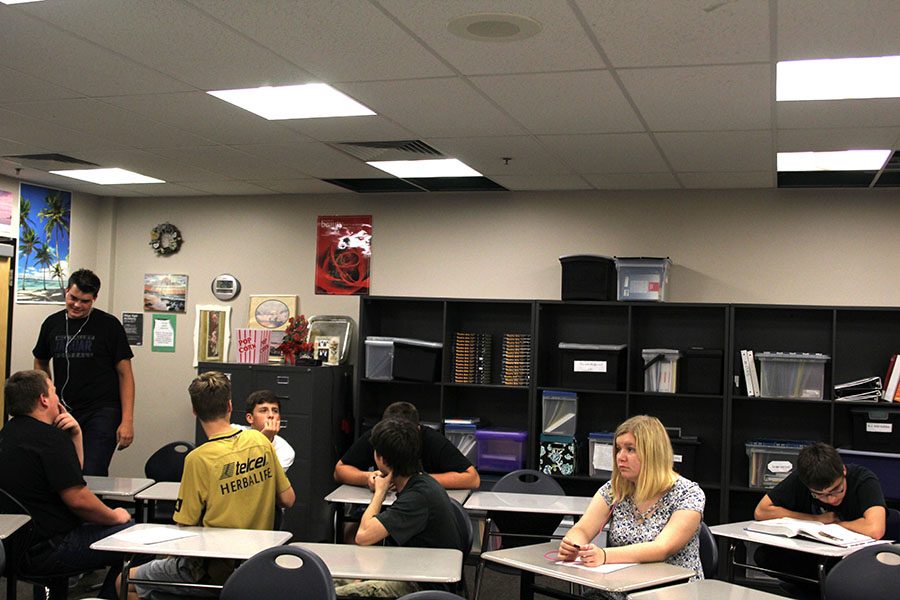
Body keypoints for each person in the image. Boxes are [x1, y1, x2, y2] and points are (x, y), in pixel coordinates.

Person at [123, 371, 295, 599]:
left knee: (124, 581)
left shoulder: (198, 459)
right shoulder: (260, 441)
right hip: (255, 564)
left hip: (211, 571)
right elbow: (288, 499)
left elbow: (185, 524)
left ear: (195, 411)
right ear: (230, 406)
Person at [0, 370, 132, 599]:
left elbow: (71, 476)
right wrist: (115, 516)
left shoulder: (6, 435)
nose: (56, 398)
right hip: (51, 549)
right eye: (53, 392)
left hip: (12, 549)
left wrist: (76, 434)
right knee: (136, 539)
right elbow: (78, 499)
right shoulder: (49, 439)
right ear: (43, 399)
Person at [558, 415, 705, 596]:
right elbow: (582, 529)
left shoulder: (688, 493)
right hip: (620, 587)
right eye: (618, 449)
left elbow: (662, 548)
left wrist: (604, 556)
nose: (621, 457)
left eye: (630, 449)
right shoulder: (615, 489)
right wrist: (574, 546)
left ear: (652, 453)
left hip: (671, 591)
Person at [333, 418, 464, 598]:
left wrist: (379, 492)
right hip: (408, 570)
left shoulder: (417, 497)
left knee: (330, 592)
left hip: (423, 586)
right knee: (324, 578)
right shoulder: (420, 482)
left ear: (381, 459)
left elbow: (363, 536)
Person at [33, 268, 136, 476]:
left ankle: (96, 509)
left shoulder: (109, 326)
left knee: (91, 470)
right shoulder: (52, 324)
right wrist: (47, 400)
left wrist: (127, 421)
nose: (77, 305)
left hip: (103, 411)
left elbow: (125, 375)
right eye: (73, 298)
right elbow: (40, 362)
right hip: (65, 409)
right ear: (66, 291)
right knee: (65, 471)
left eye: (85, 301)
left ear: (95, 299)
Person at [752, 442, 886, 588]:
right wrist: (816, 520)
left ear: (843, 471)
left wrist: (836, 525)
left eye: (837, 489)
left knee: (839, 574)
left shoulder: (863, 480)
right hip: (815, 553)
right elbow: (762, 511)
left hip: (853, 557)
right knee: (765, 556)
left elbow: (875, 529)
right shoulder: (802, 478)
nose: (831, 499)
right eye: (819, 495)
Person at [334, 401, 479, 490]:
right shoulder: (378, 436)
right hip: (382, 501)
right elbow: (340, 470)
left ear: (418, 430)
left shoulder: (432, 440)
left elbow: (472, 478)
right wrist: (368, 478)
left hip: (420, 502)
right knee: (351, 530)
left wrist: (416, 481)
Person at [234, 389, 295, 471]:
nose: (271, 415)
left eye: (275, 411)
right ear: (250, 418)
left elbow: (262, 480)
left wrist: (265, 440)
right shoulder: (235, 432)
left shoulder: (285, 451)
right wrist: (262, 439)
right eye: (263, 410)